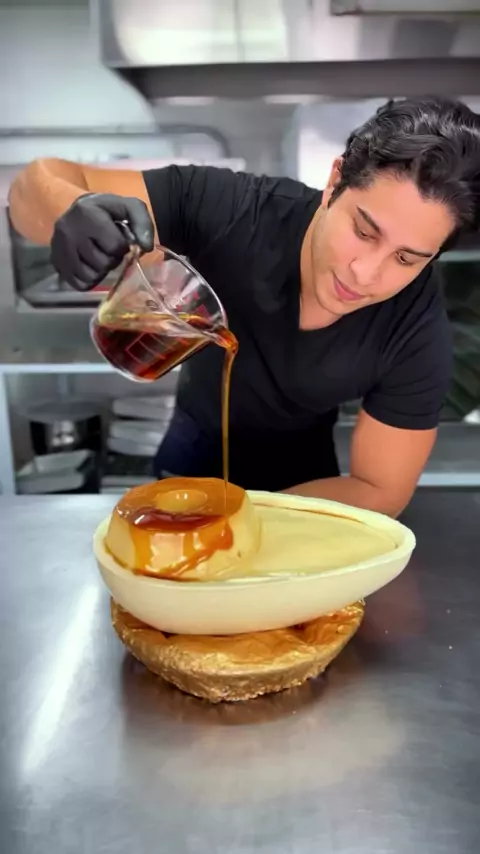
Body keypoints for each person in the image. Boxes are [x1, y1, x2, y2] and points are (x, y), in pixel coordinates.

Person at [9, 97, 480, 516]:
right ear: (335, 182)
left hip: (308, 482)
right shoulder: (237, 210)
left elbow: (379, 489)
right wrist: (75, 209)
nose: (366, 273)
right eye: (363, 231)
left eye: (406, 259)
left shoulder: (415, 330)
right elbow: (32, 187)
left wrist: (243, 522)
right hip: (193, 448)